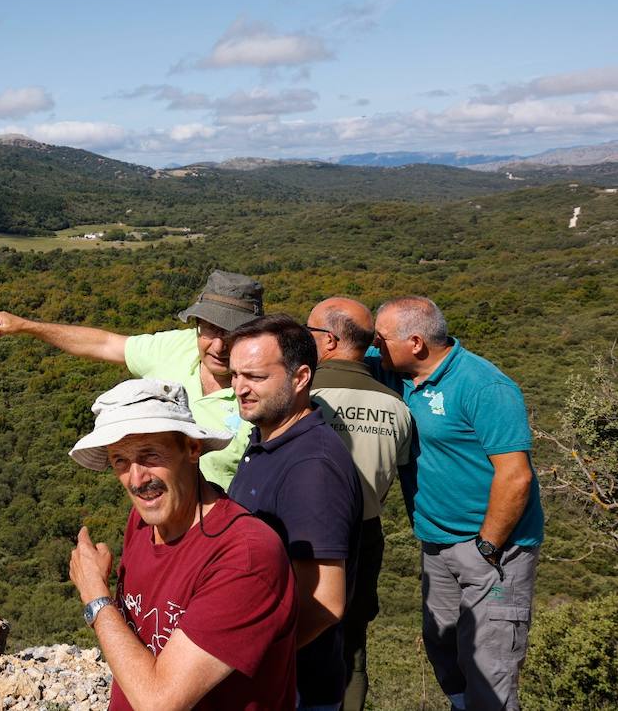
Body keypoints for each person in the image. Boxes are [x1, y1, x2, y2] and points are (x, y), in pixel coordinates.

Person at [67, 378, 298, 711]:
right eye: (120, 461)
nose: (136, 480)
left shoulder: (246, 555)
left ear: (192, 449)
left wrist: (96, 598)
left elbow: (159, 703)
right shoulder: (145, 522)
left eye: (149, 456)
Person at [372, 296, 543, 711]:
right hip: (437, 543)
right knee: (444, 648)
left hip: (493, 549)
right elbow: (345, 349)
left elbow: (515, 476)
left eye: (382, 338)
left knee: (490, 667)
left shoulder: (484, 386)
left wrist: (487, 546)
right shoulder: (402, 375)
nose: (375, 347)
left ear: (415, 343)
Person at [0, 269, 264, 488]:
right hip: (158, 516)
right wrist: (26, 326)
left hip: (227, 536)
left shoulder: (268, 390)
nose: (218, 346)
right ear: (197, 326)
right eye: (210, 330)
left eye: (232, 334)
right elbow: (104, 344)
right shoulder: (176, 347)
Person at [225, 315, 362, 711]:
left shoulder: (311, 467)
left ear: (301, 377)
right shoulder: (271, 438)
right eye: (234, 375)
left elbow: (324, 601)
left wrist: (247, 659)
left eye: (254, 376)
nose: (239, 388)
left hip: (294, 690)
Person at [305, 297, 414, 711]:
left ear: (329, 340)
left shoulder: (301, 395)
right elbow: (391, 475)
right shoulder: (397, 408)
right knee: (352, 645)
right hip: (365, 536)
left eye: (309, 332)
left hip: (302, 538)